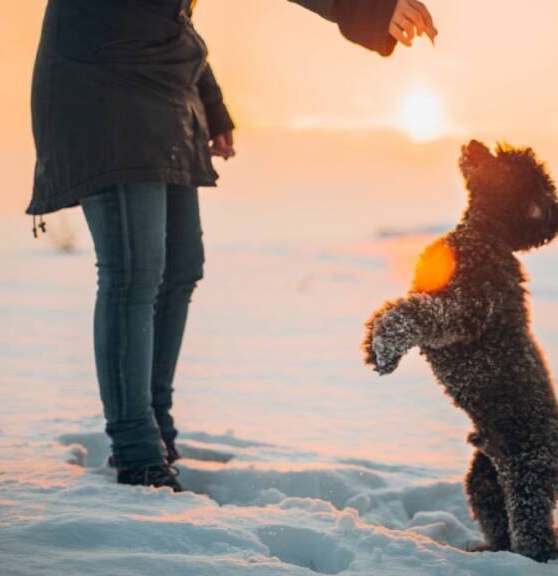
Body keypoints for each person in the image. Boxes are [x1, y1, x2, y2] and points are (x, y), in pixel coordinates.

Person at [26, 0, 438, 490]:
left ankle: (155, 428)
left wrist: (209, 101)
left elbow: (175, 18)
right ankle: (136, 452)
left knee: (180, 267)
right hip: (102, 83)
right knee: (133, 273)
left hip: (163, 87)